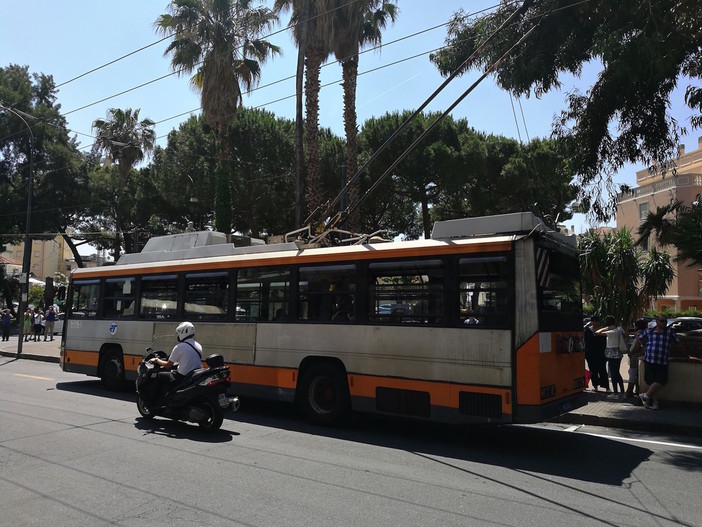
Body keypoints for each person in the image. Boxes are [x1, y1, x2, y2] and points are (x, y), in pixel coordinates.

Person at [149, 321, 203, 394]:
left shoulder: (179, 347)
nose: (177, 336)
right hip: (194, 375)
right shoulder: (198, 345)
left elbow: (168, 365)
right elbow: (188, 359)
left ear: (183, 332)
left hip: (182, 376)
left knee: (158, 375)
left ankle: (165, 397)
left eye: (178, 333)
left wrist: (157, 360)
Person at [639, 315, 679, 409]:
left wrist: (686, 355)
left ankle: (646, 395)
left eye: (665, 321)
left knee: (662, 380)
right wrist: (643, 345)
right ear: (657, 322)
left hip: (662, 361)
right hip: (649, 359)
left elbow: (678, 343)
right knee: (650, 382)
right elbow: (639, 336)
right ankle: (653, 402)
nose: (664, 323)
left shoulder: (669, 332)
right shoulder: (649, 331)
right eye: (662, 321)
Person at [595, 315, 626, 398]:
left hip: (612, 354)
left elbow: (597, 332)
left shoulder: (611, 332)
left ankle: (615, 392)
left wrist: (606, 328)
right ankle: (622, 391)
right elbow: (625, 334)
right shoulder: (619, 329)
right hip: (618, 353)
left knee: (613, 373)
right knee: (617, 372)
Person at [584, 315, 609, 392]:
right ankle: (595, 386)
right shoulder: (587, 331)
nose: (595, 323)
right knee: (593, 370)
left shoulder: (602, 331)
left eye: (596, 321)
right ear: (591, 322)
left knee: (602, 370)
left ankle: (606, 387)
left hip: (601, 353)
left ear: (599, 322)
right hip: (590, 354)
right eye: (593, 321)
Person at [624, 318, 648, 398]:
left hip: (636, 356)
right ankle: (637, 391)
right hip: (640, 355)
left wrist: (631, 352)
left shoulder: (638, 333)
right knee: (637, 374)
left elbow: (637, 345)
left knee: (632, 374)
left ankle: (629, 392)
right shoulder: (646, 333)